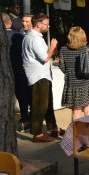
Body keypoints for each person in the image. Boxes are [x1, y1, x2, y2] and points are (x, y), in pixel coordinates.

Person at [22, 13, 59, 142]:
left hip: (42, 75)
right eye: (46, 24)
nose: (48, 26)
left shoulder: (34, 37)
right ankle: (37, 133)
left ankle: (52, 127)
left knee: (47, 104)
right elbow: (45, 57)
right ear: (38, 24)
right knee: (40, 106)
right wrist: (53, 47)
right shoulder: (34, 38)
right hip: (38, 77)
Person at [58, 27, 89, 121]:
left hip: (72, 83)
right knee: (88, 109)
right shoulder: (88, 48)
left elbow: (62, 67)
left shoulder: (63, 49)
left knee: (75, 111)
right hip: (87, 82)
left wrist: (71, 72)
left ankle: (75, 134)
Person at [3, 13, 30, 131]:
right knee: (22, 97)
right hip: (18, 69)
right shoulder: (18, 37)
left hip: (3, 72)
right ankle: (25, 120)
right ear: (10, 23)